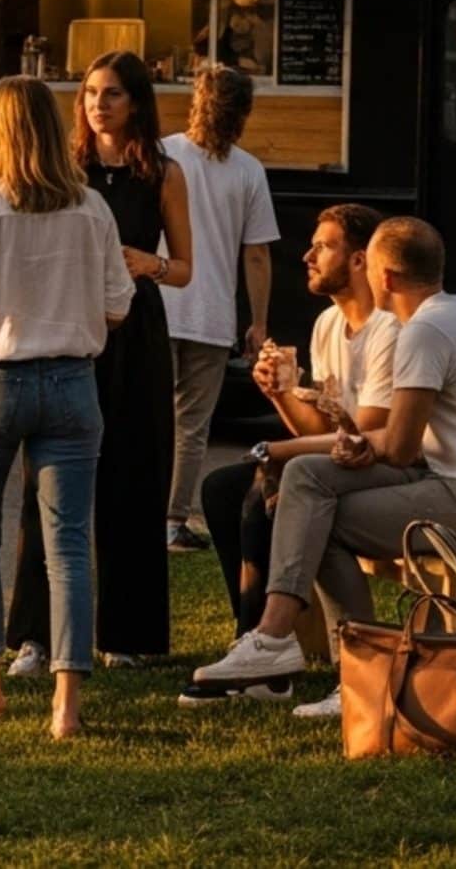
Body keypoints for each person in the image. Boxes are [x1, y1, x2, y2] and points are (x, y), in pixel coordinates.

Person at [188, 217, 456, 715]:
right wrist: (359, 446)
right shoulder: (447, 314)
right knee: (308, 476)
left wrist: (364, 446)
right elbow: (398, 440)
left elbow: (399, 446)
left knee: (324, 515)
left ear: (385, 277)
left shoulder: (425, 330)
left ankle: (330, 662)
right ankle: (290, 645)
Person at [0, 76, 132, 741]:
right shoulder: (92, 208)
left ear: (2, 132)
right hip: (75, 383)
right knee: (71, 544)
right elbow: (118, 304)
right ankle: (66, 706)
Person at [3, 51, 193, 677]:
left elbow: (187, 268)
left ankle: (128, 634)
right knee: (48, 481)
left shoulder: (163, 173)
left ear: (136, 102)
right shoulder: (67, 169)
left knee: (133, 478)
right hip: (70, 326)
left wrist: (151, 264)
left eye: (111, 94)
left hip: (135, 331)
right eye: (89, 92)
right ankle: (35, 634)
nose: (97, 104)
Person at [184, 202, 396, 713]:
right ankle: (256, 647)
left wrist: (273, 451)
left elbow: (365, 437)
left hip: (386, 467)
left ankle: (266, 656)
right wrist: (281, 393)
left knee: (269, 488)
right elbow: (325, 431)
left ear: (357, 260)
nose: (306, 255)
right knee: (222, 488)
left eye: (322, 246)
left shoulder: (389, 330)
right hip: (340, 462)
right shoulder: (327, 326)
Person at [158, 64, 278, 551]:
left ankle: (136, 510)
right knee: (191, 425)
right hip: (211, 315)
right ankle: (172, 521)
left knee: (149, 416)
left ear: (196, 102)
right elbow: (256, 252)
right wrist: (260, 321)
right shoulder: (249, 170)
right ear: (244, 112)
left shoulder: (163, 153)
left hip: (159, 304)